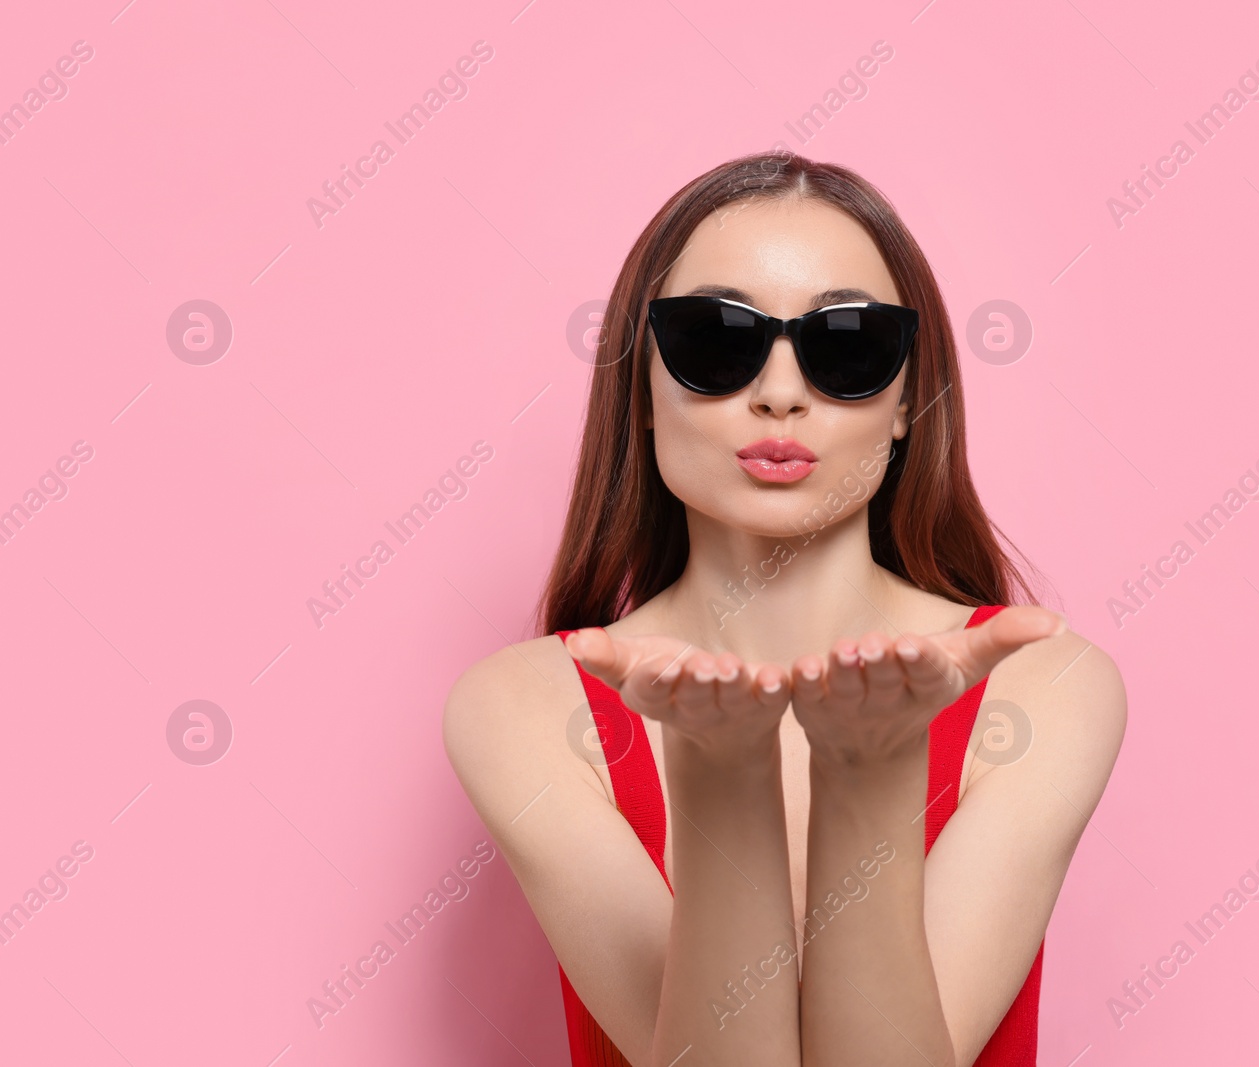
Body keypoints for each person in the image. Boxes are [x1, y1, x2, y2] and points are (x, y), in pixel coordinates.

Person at [443, 152, 1126, 1067]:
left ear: (904, 404)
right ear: (639, 390)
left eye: (846, 343)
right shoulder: (523, 705)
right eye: (717, 338)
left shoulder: (1044, 687)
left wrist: (868, 770)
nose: (778, 391)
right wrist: (721, 773)